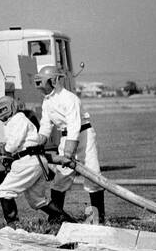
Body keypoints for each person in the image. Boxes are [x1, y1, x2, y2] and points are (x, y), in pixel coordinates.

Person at [33, 65, 106, 224]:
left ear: (54, 81)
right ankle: (56, 218)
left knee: (93, 176)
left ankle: (98, 219)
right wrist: (37, 142)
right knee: (61, 178)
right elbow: (46, 126)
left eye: (43, 82)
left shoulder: (70, 98)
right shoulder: (47, 102)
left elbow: (74, 125)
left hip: (84, 136)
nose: (40, 87)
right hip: (66, 138)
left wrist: (68, 153)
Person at [0, 96, 76, 231]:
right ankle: (69, 221)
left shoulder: (18, 119)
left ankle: (12, 226)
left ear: (12, 107)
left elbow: (13, 144)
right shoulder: (16, 121)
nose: (2, 113)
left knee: (5, 191)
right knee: (37, 200)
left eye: (4, 108)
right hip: (35, 160)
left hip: (27, 161)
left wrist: (5, 149)